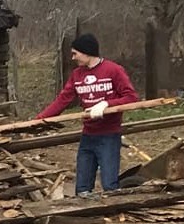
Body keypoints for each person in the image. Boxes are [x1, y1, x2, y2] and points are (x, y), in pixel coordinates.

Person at [35, 34, 140, 195]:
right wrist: (40, 120)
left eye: (75, 53)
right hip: (88, 136)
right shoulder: (77, 75)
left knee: (109, 184)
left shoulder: (113, 70)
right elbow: (63, 99)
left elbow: (131, 98)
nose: (73, 57)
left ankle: (114, 214)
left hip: (109, 135)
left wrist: (107, 104)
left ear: (87, 52)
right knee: (82, 186)